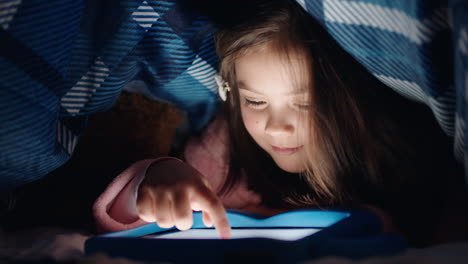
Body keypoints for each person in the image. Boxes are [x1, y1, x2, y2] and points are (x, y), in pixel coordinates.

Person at [94, 0, 464, 245]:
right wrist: (157, 179)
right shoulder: (223, 160)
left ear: (350, 100)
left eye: (302, 104)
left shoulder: (403, 166)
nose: (275, 127)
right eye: (255, 101)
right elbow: (130, 227)